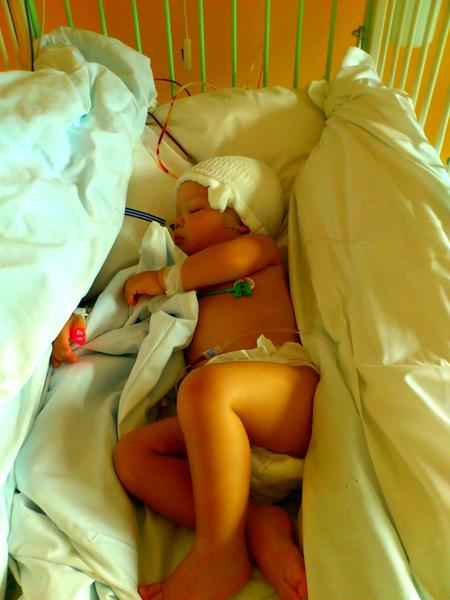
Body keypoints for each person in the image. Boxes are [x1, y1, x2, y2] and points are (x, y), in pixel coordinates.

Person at [113, 156, 319, 600]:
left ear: (242, 221)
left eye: (193, 210)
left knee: (205, 388)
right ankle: (250, 522)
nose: (177, 222)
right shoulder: (192, 289)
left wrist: (164, 278)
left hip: (281, 397)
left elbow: (221, 263)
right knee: (133, 455)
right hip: (220, 432)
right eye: (176, 215)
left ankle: (218, 552)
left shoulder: (258, 251)